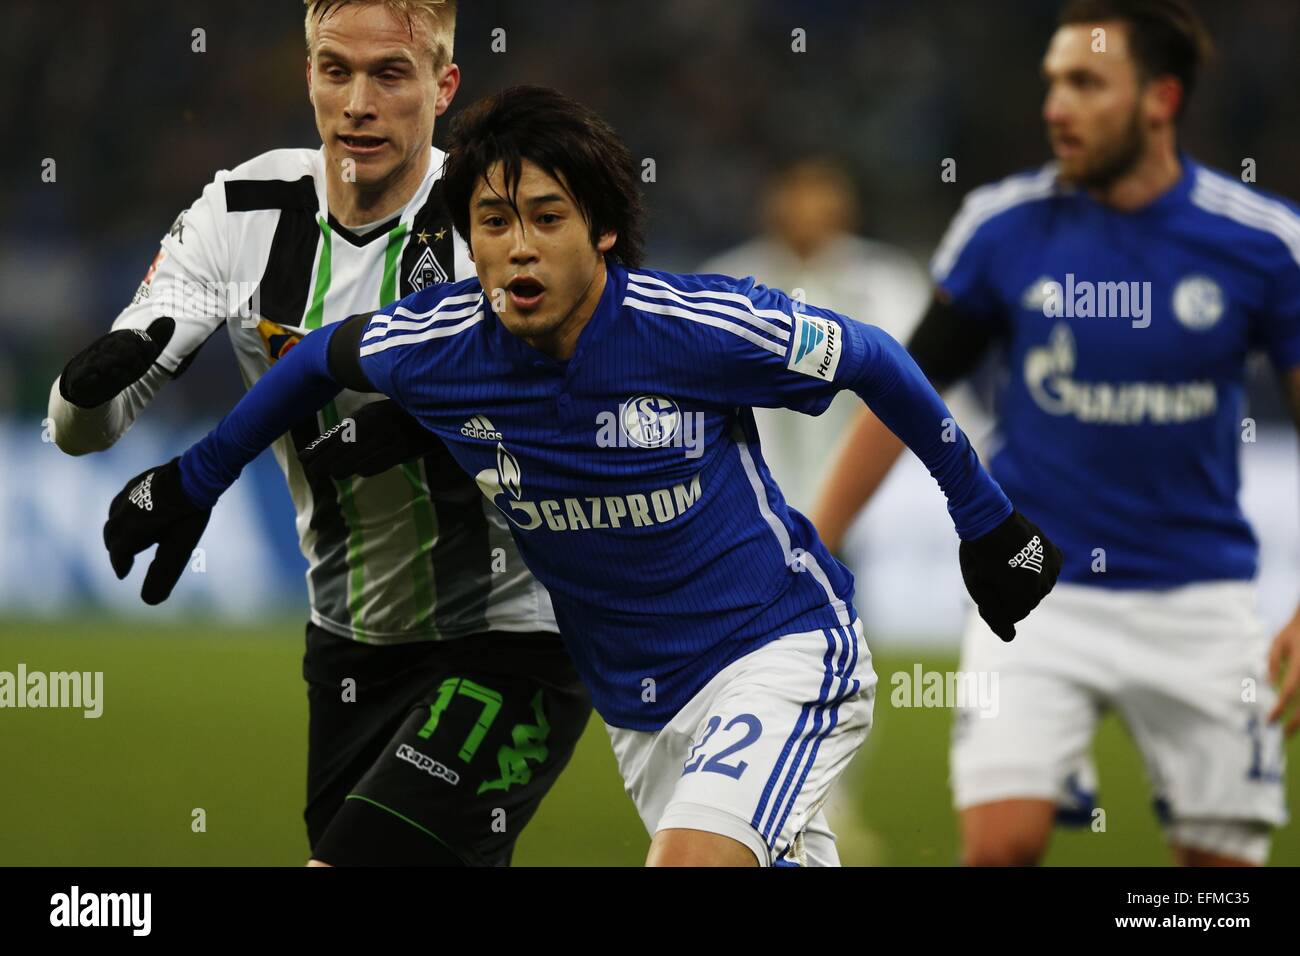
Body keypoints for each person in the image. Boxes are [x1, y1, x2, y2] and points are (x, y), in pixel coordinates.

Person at [99, 85, 1062, 867]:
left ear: (600, 229)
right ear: (466, 239)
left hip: (778, 654)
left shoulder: (693, 328)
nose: (519, 244)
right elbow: (314, 362)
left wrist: (987, 523)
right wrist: (194, 480)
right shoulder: (441, 346)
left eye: (548, 217)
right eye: (493, 220)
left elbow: (874, 358)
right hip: (641, 715)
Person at [47, 0, 591, 867]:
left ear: (444, 86)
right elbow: (88, 426)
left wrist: (427, 429)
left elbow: (579, 413)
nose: (358, 104)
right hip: (346, 643)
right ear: (308, 76)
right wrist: (82, 394)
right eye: (336, 71)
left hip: (512, 636)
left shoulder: (496, 223)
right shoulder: (241, 210)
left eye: (390, 75)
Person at [812, 0, 1299, 866]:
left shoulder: (1261, 243)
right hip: (1037, 578)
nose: (1055, 106)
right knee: (1001, 845)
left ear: (1160, 98)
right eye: (1051, 83)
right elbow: (901, 395)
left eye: (1085, 82)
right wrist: (815, 539)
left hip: (1200, 591)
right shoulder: (1003, 228)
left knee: (1218, 877)